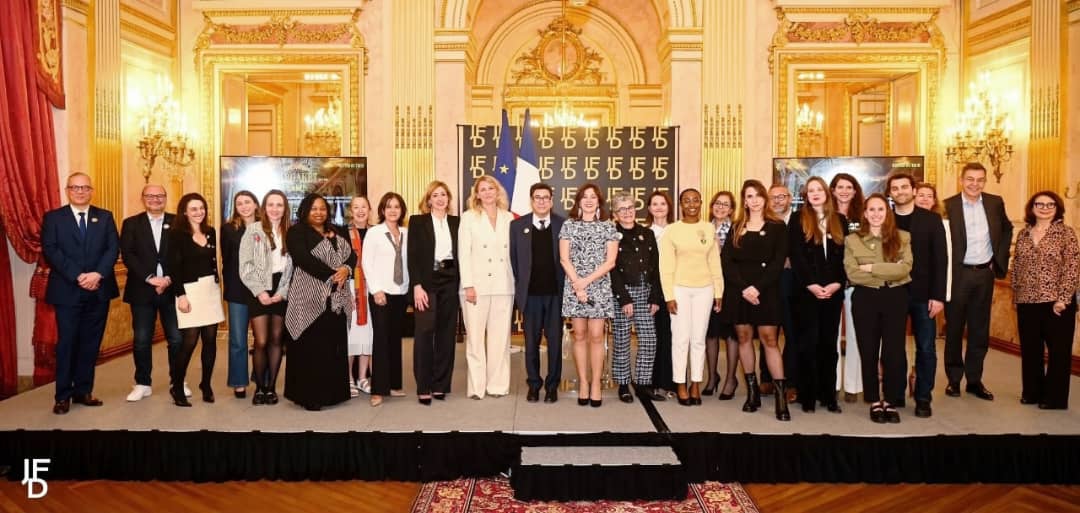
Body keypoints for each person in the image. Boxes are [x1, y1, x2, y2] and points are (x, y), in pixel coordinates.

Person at [42, 172, 119, 414]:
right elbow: (51, 251)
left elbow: (112, 248)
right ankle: (62, 395)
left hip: (99, 289)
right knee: (67, 343)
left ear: (91, 190)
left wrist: (97, 274)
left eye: (85, 187)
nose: (80, 191)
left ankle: (83, 391)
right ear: (68, 190)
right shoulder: (54, 218)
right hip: (67, 290)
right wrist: (78, 276)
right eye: (75, 187)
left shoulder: (104, 217)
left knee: (90, 343)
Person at [943, 162, 1013, 401]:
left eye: (980, 180)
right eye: (970, 179)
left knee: (979, 330)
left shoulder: (994, 203)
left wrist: (998, 259)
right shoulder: (948, 205)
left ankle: (974, 380)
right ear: (961, 180)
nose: (975, 184)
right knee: (953, 329)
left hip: (984, 275)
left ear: (984, 181)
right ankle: (953, 380)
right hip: (958, 275)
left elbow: (1007, 229)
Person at [722, 180, 789, 420]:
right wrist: (744, 288)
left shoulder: (777, 226)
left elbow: (777, 262)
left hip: (766, 290)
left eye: (758, 195)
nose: (755, 200)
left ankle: (781, 397)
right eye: (749, 196)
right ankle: (752, 392)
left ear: (764, 198)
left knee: (770, 339)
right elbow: (727, 262)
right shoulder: (736, 226)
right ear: (744, 200)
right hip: (739, 291)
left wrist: (757, 288)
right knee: (743, 337)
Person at [283, 194, 355, 411]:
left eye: (322, 208)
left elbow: (352, 256)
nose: (319, 212)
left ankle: (334, 393)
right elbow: (303, 259)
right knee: (310, 348)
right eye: (314, 208)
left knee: (332, 345)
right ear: (305, 210)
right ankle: (309, 396)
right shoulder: (297, 232)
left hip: (335, 298)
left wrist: (346, 269)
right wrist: (334, 275)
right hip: (307, 296)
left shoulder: (338, 230)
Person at [844, 194, 912, 423]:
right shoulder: (852, 240)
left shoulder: (902, 237)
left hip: (895, 298)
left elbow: (904, 270)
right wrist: (888, 268)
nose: (876, 214)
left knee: (893, 352)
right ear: (864, 213)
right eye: (871, 210)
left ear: (887, 212)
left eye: (880, 209)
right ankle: (874, 400)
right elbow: (852, 273)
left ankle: (891, 400)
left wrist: (871, 267)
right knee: (869, 350)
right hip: (865, 299)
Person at [887, 173, 948, 418]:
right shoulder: (885, 219)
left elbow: (941, 260)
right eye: (895, 188)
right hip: (892, 292)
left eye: (904, 187)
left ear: (913, 190)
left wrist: (939, 295)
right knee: (893, 348)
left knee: (926, 347)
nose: (900, 191)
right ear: (890, 193)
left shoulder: (932, 220)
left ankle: (923, 397)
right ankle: (897, 394)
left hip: (924, 295)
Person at [1011, 191, 1079, 410]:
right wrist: (1016, 295)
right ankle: (1031, 393)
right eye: (1039, 204)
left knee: (1058, 352)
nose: (1044, 207)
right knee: (1031, 350)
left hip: (1056, 303)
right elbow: (1017, 266)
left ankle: (1055, 398)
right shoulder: (1023, 234)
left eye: (1050, 204)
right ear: (1032, 208)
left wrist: (1064, 299)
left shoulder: (1066, 234)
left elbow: (1072, 268)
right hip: (1027, 301)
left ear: (1057, 208)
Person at [787, 177, 847, 414]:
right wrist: (810, 284)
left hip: (833, 292)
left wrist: (837, 283)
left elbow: (845, 257)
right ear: (805, 195)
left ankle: (828, 395)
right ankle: (807, 395)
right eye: (810, 190)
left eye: (818, 189)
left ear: (826, 193)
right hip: (806, 292)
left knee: (828, 345)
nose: (814, 193)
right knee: (807, 344)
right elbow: (797, 256)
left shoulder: (840, 220)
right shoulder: (797, 219)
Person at [661, 188, 724, 407]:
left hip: (705, 289)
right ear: (680, 204)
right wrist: (668, 295)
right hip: (679, 289)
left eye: (695, 200)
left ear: (700, 203)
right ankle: (680, 382)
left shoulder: (708, 228)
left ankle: (695, 382)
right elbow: (666, 266)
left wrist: (718, 291)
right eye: (686, 201)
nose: (691, 204)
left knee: (699, 339)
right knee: (680, 338)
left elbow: (714, 262)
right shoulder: (672, 230)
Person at [119, 184, 181, 402]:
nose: (155, 199)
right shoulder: (131, 224)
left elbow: (182, 255)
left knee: (176, 339)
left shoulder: (177, 222)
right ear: (143, 198)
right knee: (142, 339)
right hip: (142, 290)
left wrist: (168, 279)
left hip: (172, 289)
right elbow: (128, 255)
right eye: (150, 196)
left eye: (159, 196)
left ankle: (178, 381)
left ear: (166, 198)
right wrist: (150, 277)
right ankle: (143, 383)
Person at [560, 184, 619, 407]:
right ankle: (583, 382)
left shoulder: (608, 226)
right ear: (578, 201)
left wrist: (586, 281)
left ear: (599, 201)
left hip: (599, 286)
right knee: (580, 334)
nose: (588, 200)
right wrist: (578, 284)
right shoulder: (569, 225)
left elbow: (610, 262)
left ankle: (596, 383)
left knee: (596, 335)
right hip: (575, 285)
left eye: (593, 197)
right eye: (584, 197)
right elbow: (565, 259)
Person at [458, 175, 515, 399]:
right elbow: (464, 253)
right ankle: (476, 387)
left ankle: (498, 385)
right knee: (474, 338)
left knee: (500, 339)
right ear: (477, 194)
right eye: (483, 189)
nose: (488, 192)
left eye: (491, 188)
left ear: (497, 191)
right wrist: (468, 284)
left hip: (503, 284)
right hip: (476, 287)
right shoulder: (469, 218)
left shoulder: (509, 217)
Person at [167, 192, 224, 407]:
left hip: (210, 289)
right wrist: (180, 295)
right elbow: (174, 266)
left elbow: (212, 262)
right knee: (189, 342)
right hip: (189, 291)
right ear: (184, 211)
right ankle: (177, 386)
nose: (199, 212)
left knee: (210, 341)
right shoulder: (176, 235)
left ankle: (206, 385)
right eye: (193, 209)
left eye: (201, 208)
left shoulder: (210, 232)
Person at [510, 183, 565, 404]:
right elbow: (515, 261)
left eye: (545, 197)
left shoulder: (563, 224)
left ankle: (552, 386)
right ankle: (533, 384)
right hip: (530, 295)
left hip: (555, 295)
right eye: (537, 197)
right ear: (531, 201)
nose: (541, 201)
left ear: (551, 200)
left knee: (555, 342)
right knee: (530, 343)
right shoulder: (517, 226)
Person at [239, 190, 293, 406]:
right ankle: (259, 387)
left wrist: (282, 292)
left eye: (279, 205)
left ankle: (271, 389)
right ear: (264, 207)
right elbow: (245, 265)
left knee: (276, 340)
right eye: (270, 204)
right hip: (258, 288)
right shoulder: (253, 230)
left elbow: (293, 265)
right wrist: (260, 291)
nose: (275, 209)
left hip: (282, 288)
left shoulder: (291, 231)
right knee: (261, 341)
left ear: (285, 208)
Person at [408, 181, 460, 404]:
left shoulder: (458, 222)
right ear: (428, 200)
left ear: (448, 199)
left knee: (447, 333)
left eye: (443, 194)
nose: (440, 198)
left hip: (450, 280)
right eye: (435, 195)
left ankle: (441, 384)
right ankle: (424, 385)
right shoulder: (417, 222)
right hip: (427, 281)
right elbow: (412, 255)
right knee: (425, 332)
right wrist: (417, 285)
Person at [610, 191, 664, 403]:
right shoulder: (611, 234)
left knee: (649, 339)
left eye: (630, 208)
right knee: (622, 339)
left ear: (636, 209)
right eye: (622, 209)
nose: (627, 213)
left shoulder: (647, 233)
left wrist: (655, 297)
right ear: (615, 214)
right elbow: (611, 269)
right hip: (623, 293)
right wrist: (623, 298)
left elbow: (656, 266)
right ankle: (623, 384)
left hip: (646, 292)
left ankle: (642, 384)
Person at [363, 192, 410, 407]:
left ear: (402, 211)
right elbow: (367, 263)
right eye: (389, 206)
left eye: (397, 207)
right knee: (381, 339)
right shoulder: (374, 233)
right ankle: (378, 389)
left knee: (394, 338)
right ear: (382, 210)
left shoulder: (407, 232)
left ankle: (393, 384)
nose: (393, 210)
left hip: (401, 291)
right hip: (381, 292)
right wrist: (376, 290)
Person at [220, 191, 260, 399]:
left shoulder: (267, 227)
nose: (244, 206)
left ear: (255, 204)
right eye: (239, 203)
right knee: (238, 339)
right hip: (237, 291)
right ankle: (239, 382)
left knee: (263, 340)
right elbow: (226, 261)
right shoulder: (228, 229)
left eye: (247, 202)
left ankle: (262, 378)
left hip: (263, 291)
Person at [830, 173, 865, 402]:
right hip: (831, 283)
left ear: (855, 191)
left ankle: (852, 386)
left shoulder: (863, 216)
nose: (844, 191)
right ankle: (831, 383)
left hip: (856, 282)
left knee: (856, 334)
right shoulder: (825, 216)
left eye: (849, 187)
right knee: (830, 334)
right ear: (832, 190)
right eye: (839, 187)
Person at [703, 191, 737, 399]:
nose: (721, 207)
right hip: (706, 286)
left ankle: (731, 378)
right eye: (717, 203)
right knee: (710, 333)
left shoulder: (737, 229)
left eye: (726, 205)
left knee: (732, 334)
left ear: (732, 209)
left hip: (732, 287)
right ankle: (712, 376)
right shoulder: (702, 228)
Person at [767, 183, 798, 404]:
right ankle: (767, 378)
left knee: (792, 332)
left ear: (790, 198)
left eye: (782, 197)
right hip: (767, 283)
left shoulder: (799, 221)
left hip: (792, 283)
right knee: (767, 332)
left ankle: (790, 381)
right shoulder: (763, 222)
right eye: (773, 197)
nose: (778, 201)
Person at [645, 190, 676, 400]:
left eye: (662, 204)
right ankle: (656, 381)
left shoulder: (678, 231)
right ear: (648, 209)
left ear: (669, 207)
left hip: (677, 289)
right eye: (654, 204)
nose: (658, 207)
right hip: (654, 291)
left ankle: (673, 381)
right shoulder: (646, 233)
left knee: (675, 338)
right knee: (656, 337)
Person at [346, 196, 374, 396]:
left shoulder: (376, 232)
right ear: (351, 210)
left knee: (368, 335)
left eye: (364, 206)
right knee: (350, 335)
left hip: (372, 288)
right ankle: (348, 378)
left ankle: (363, 377)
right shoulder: (341, 233)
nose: (360, 210)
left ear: (369, 209)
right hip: (349, 288)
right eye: (356, 207)